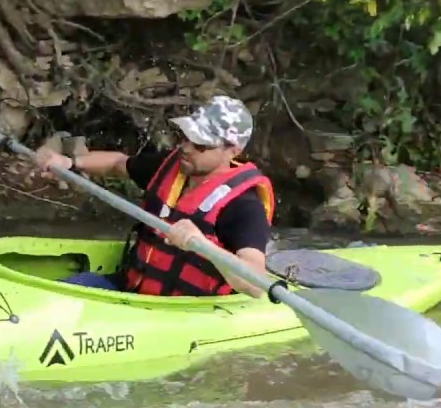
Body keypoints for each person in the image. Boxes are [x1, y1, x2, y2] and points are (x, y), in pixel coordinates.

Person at [33, 95, 275, 298]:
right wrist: (70, 162)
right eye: (186, 137)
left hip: (179, 313)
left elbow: (256, 284)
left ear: (233, 150)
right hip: (129, 288)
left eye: (201, 144)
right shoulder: (175, 165)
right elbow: (118, 163)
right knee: (55, 295)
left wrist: (203, 244)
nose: (186, 148)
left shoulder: (244, 206)